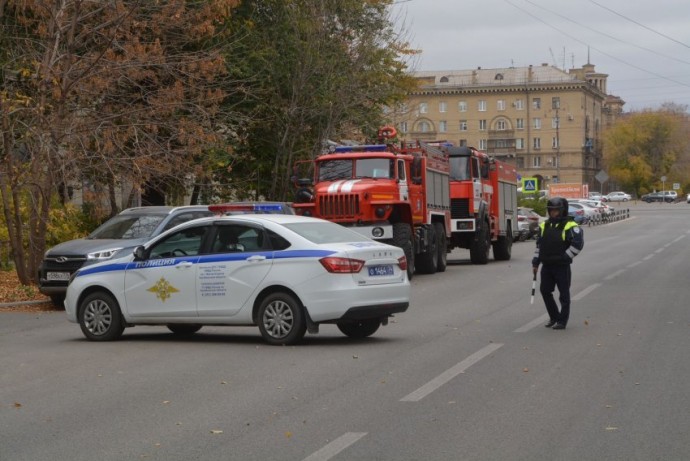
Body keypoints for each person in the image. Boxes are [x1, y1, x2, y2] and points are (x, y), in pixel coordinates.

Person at [532, 197, 584, 330]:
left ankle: (562, 321)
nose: (553, 213)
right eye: (551, 210)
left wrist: (565, 258)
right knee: (545, 291)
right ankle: (554, 317)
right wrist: (536, 262)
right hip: (547, 266)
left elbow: (577, 245)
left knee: (564, 295)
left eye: (555, 210)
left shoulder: (571, 225)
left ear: (562, 211)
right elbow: (539, 246)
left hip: (562, 266)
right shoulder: (544, 225)